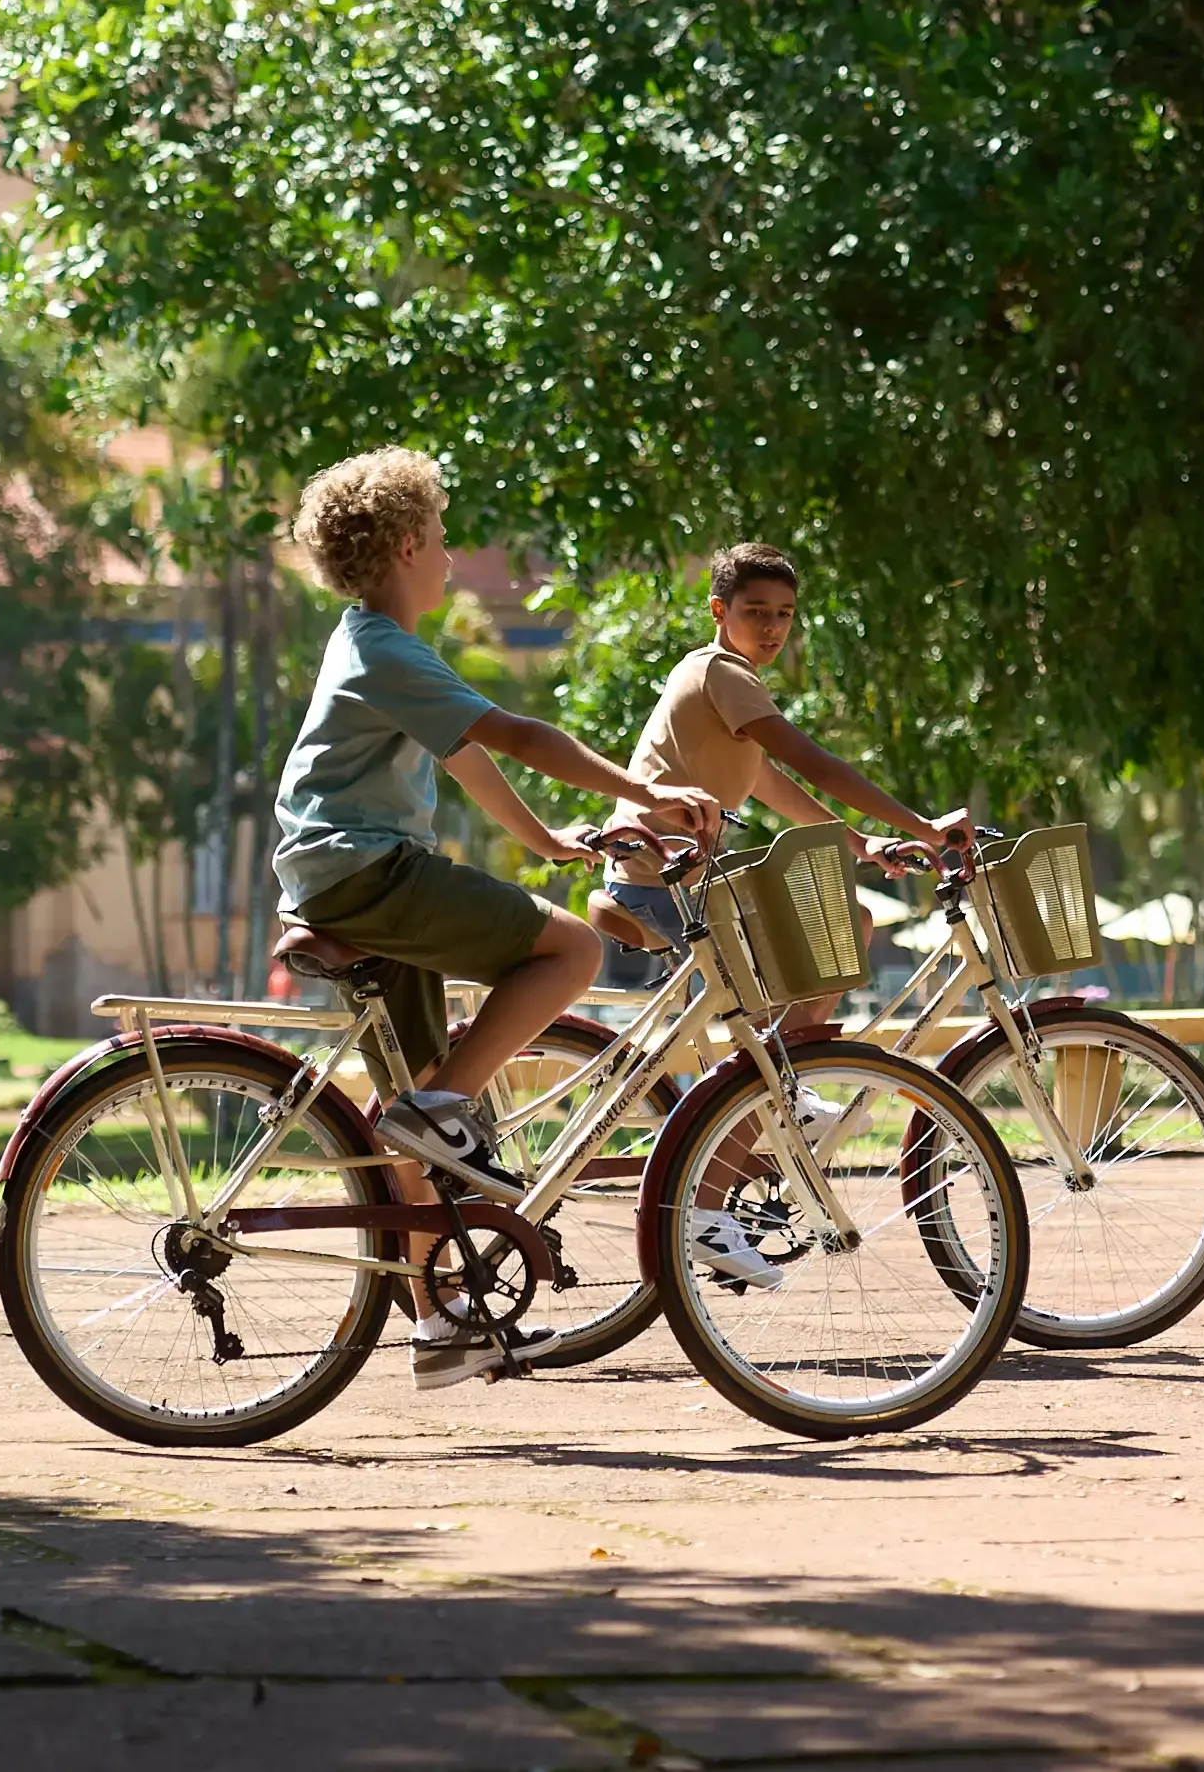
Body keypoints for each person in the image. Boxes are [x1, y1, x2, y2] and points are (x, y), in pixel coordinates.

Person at [270, 447, 720, 1389]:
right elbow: (515, 733)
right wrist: (646, 787)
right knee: (572, 946)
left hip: (342, 876)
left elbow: (473, 761)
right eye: (437, 539)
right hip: (369, 872)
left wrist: (548, 837)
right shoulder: (385, 648)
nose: (447, 554)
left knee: (417, 1100)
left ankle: (438, 1320)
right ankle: (441, 1111)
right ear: (403, 545)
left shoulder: (372, 643)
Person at [597, 541, 955, 1290]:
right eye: (755, 611)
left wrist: (861, 841)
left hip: (676, 882)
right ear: (719, 612)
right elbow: (814, 761)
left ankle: (780, 1092)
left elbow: (774, 786)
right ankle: (707, 1201)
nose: (772, 627)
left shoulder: (729, 688)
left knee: (839, 925)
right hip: (661, 884)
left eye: (785, 615)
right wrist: (923, 826)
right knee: (815, 962)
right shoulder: (721, 672)